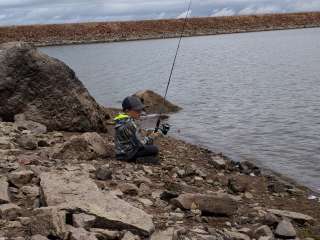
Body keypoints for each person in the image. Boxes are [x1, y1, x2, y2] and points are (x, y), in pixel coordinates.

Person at [114, 95, 163, 164]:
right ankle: (138, 160)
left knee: (149, 145)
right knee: (155, 149)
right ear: (127, 110)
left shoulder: (121, 119)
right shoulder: (129, 124)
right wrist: (151, 137)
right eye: (137, 111)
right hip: (126, 155)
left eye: (140, 110)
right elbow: (139, 145)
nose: (140, 113)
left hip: (120, 151)